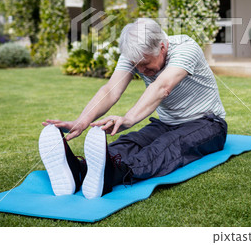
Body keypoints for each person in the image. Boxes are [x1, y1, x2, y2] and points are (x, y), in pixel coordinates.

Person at [39, 18, 227, 199]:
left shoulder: (186, 48)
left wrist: (128, 119)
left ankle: (111, 175)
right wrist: (81, 122)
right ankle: (78, 171)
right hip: (167, 122)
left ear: (162, 47)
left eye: (145, 64)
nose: (142, 71)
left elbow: (162, 87)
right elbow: (110, 91)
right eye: (137, 66)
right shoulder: (135, 54)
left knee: (167, 146)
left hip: (209, 123)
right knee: (130, 142)